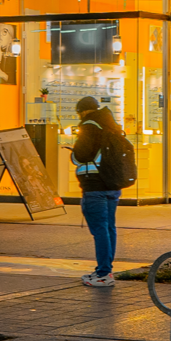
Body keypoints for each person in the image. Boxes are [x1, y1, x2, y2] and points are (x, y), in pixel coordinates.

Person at [70, 95, 132, 288]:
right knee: (109, 228)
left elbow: (81, 155)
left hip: (94, 186)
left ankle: (104, 273)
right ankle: (105, 269)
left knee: (100, 230)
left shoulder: (89, 126)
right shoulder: (111, 125)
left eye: (80, 112)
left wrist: (73, 152)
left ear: (84, 111)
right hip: (112, 186)